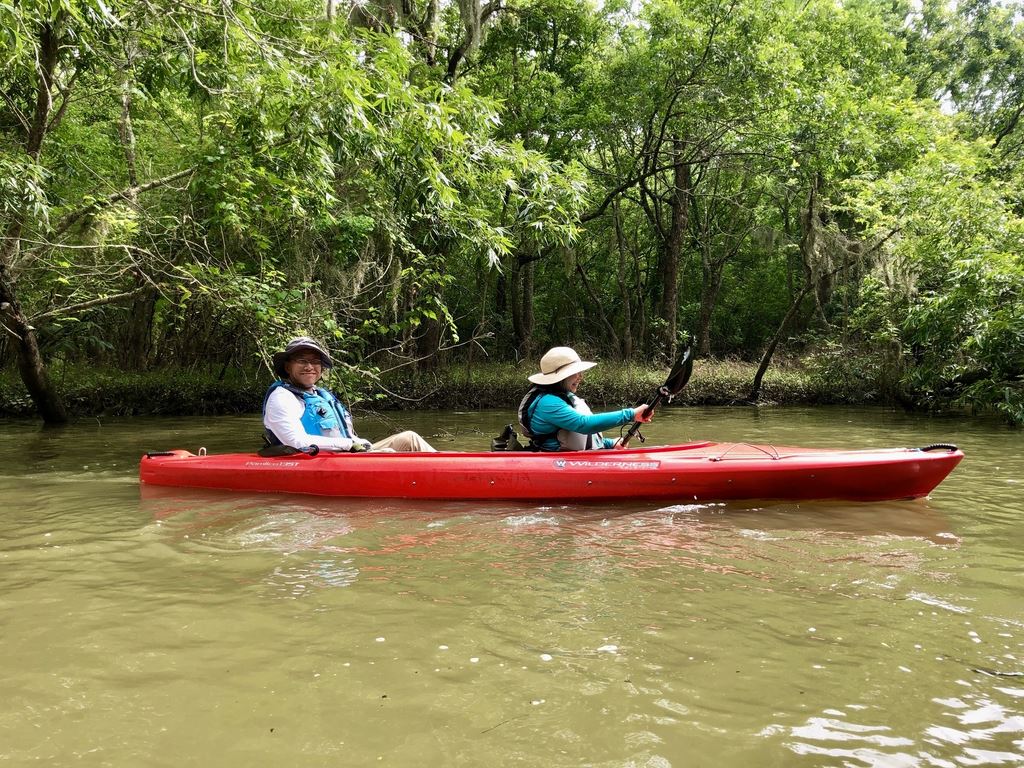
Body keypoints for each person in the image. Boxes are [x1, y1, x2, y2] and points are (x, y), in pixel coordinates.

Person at [262, 336, 436, 453]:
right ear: (287, 367)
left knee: (409, 438)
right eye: (302, 361)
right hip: (313, 462)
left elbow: (346, 437)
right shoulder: (281, 397)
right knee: (389, 452)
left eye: (315, 362)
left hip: (344, 456)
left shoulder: (322, 396)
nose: (309, 366)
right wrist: (349, 444)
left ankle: (454, 465)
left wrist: (357, 442)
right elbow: (296, 441)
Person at [518, 346, 652, 451]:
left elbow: (581, 436)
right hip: (558, 461)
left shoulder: (564, 396)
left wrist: (609, 443)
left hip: (578, 455)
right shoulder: (547, 403)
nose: (580, 377)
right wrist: (631, 414)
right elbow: (583, 424)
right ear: (561, 377)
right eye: (575, 372)